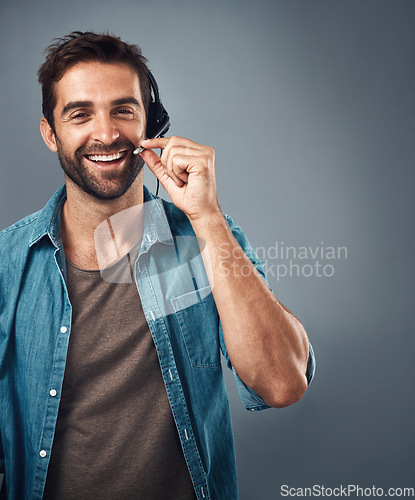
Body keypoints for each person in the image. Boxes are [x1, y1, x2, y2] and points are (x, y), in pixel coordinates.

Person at [0, 31, 315, 500]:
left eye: (123, 111)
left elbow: (283, 383)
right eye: (80, 114)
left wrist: (205, 216)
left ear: (153, 125)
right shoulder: (8, 262)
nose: (106, 134)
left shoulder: (203, 237)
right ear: (51, 134)